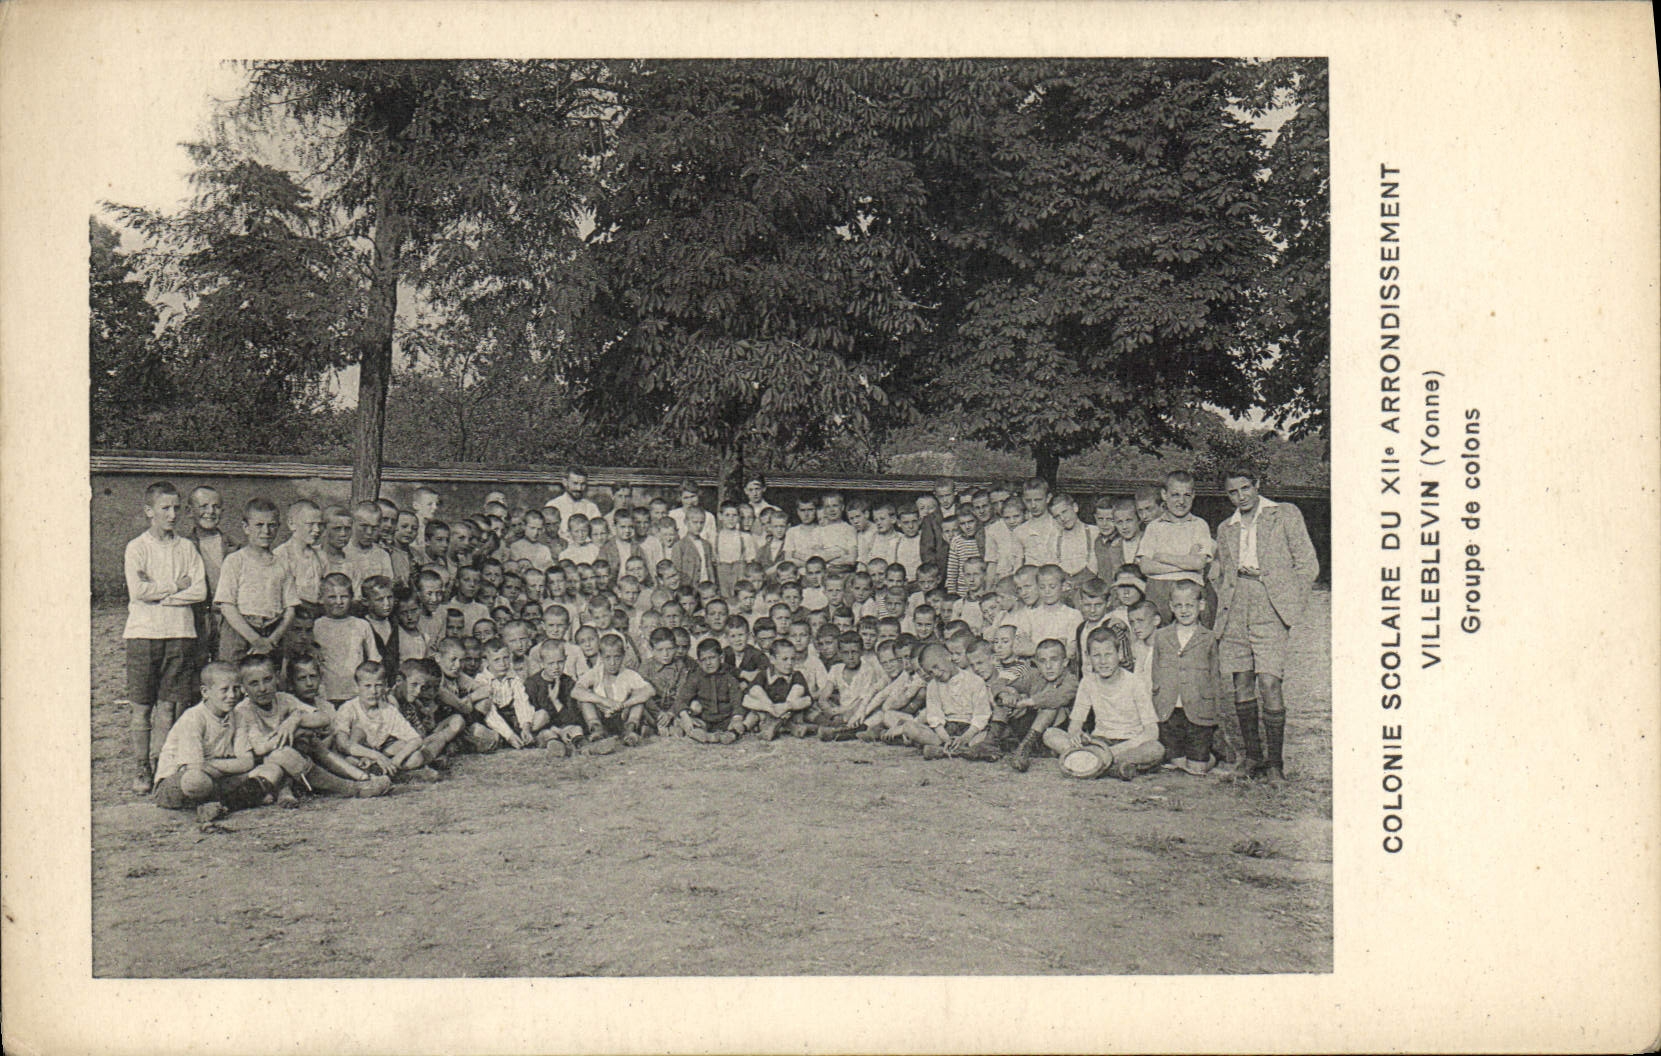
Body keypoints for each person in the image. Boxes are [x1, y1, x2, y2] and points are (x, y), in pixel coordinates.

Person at [1211, 468, 1320, 783]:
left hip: (1269, 604)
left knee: (1270, 682)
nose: (1240, 497)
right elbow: (1222, 571)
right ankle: (1253, 758)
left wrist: (1289, 603)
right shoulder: (1226, 528)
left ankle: (1275, 764)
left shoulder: (1284, 514)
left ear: (1257, 485)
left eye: (1246, 488)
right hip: (1236, 606)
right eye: (1233, 492)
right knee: (1242, 681)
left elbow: (1307, 564)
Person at [123, 481, 207, 794]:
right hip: (143, 634)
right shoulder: (137, 547)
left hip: (181, 633)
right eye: (165, 508)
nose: (172, 515)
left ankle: (163, 764)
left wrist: (163, 596)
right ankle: (141, 767)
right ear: (149, 511)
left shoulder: (187, 548)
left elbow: (199, 591)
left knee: (169, 706)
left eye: (176, 508)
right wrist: (176, 586)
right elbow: (138, 591)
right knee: (142, 707)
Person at [233, 654, 387, 804]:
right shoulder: (243, 711)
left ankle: (361, 777)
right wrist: (295, 732)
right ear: (243, 687)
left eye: (267, 680)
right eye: (254, 683)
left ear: (277, 678)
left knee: (309, 741)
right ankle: (350, 788)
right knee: (283, 753)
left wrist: (296, 719)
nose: (262, 688)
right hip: (263, 766)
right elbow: (260, 749)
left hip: (294, 761)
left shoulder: (284, 699)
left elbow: (323, 718)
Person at [1043, 623, 1164, 780]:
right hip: (1099, 741)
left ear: (1119, 654)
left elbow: (1152, 732)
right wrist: (1076, 734)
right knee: (1050, 734)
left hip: (1129, 743)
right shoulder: (1088, 682)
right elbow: (1075, 724)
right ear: (1088, 658)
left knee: (1155, 749)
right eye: (1096, 655)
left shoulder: (1135, 683)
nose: (1103, 661)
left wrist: (1115, 750)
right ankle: (1111, 767)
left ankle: (1091, 762)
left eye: (1108, 654)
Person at [150, 662, 261, 824]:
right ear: (205, 692)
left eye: (236, 689)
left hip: (216, 775)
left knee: (264, 771)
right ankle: (218, 802)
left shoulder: (237, 716)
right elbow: (194, 767)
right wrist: (225, 767)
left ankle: (215, 804)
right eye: (224, 690)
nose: (232, 695)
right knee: (196, 780)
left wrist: (212, 764)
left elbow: (247, 762)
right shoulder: (193, 718)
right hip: (176, 782)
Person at [1149, 580, 1226, 776]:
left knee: (1197, 768)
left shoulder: (1208, 637)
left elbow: (1215, 676)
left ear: (1201, 605)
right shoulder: (1161, 636)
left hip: (1199, 710)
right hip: (1169, 710)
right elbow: (1155, 671)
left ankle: (1212, 756)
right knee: (1173, 759)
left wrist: (1215, 711)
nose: (1184, 610)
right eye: (1178, 605)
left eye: (1189, 605)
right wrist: (1156, 699)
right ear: (1171, 606)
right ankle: (1180, 758)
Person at [214, 498, 299, 664]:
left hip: (272, 631)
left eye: (271, 525)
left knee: (268, 675)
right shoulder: (235, 560)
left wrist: (272, 640)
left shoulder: (283, 563)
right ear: (246, 527)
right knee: (233, 674)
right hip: (240, 630)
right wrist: (255, 640)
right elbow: (227, 606)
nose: (266, 531)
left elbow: (290, 608)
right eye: (259, 525)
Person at [332, 661, 442, 779]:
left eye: (378, 685)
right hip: (357, 753)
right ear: (357, 686)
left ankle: (385, 771)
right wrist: (376, 756)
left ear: (385, 685)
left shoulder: (388, 710)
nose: (373, 691)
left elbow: (415, 739)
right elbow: (342, 744)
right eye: (367, 686)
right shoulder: (348, 708)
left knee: (416, 756)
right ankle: (389, 773)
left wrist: (396, 760)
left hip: (381, 752)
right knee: (354, 745)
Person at [892, 643, 998, 761]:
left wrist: (965, 738)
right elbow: (935, 716)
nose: (936, 673)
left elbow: (981, 715)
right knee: (909, 728)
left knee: (981, 739)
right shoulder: (933, 685)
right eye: (930, 672)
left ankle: (944, 751)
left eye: (936, 666)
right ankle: (956, 749)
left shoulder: (975, 681)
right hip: (946, 729)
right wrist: (946, 739)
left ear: (948, 656)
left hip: (970, 729)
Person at [1136, 470, 1215, 623]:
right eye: (1175, 495)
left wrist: (1163, 557)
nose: (1181, 501)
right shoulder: (1154, 526)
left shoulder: (1199, 525)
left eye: (1187, 495)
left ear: (1193, 495)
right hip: (1158, 590)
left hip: (1189, 589)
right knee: (1158, 632)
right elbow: (1145, 567)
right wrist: (1186, 564)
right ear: (1164, 495)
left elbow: (1198, 563)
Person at [994, 638, 1080, 772]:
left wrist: (1026, 702)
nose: (1048, 666)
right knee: (1006, 700)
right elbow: (999, 684)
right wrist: (1006, 694)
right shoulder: (1035, 675)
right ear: (1037, 664)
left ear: (1065, 662)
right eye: (1043, 661)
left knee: (1050, 706)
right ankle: (990, 741)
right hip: (1033, 727)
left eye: (1054, 660)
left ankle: (1025, 747)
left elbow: (1058, 697)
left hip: (1056, 730)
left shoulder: (1071, 679)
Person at [571, 632, 656, 749]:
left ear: (623, 655)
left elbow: (650, 690)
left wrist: (624, 705)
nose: (612, 663)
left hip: (623, 719)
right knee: (585, 700)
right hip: (601, 719)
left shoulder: (629, 674)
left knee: (639, 699)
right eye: (608, 657)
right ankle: (597, 731)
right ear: (601, 656)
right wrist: (604, 701)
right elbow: (575, 691)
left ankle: (630, 731)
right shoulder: (595, 673)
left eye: (617, 657)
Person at [312, 573, 378, 705]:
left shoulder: (361, 625)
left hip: (356, 695)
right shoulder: (315, 626)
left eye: (344, 597)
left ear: (352, 597)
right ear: (321, 598)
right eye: (332, 597)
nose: (339, 602)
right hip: (326, 695)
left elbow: (374, 660)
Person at [185, 485, 231, 664]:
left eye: (216, 506)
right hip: (196, 620)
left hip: (227, 620)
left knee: (226, 667)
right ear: (190, 511)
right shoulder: (182, 547)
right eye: (203, 506)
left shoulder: (234, 547)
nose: (210, 511)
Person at [739, 639, 813, 740]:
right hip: (768, 710)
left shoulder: (796, 675)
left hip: (788, 712)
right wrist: (769, 707)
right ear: (772, 659)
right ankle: (740, 730)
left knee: (798, 695)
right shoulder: (764, 675)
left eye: (793, 659)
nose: (790, 663)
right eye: (785, 659)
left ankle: (778, 726)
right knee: (756, 693)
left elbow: (808, 700)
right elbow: (747, 698)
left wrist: (787, 706)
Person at [676, 638, 745, 743]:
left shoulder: (728, 677)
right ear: (698, 662)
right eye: (703, 660)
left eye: (712, 658)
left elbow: (736, 699)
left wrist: (737, 718)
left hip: (726, 718)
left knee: (742, 720)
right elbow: (682, 699)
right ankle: (708, 737)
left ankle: (731, 734)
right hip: (705, 719)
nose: (708, 663)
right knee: (689, 723)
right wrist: (685, 716)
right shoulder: (696, 677)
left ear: (721, 658)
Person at [275, 499, 325, 606]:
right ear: (292, 524)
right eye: (310, 524)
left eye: (319, 524)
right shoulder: (281, 555)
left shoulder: (320, 555)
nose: (317, 529)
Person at [344, 500, 396, 598]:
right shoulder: (341, 551)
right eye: (364, 526)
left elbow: (387, 588)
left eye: (375, 528)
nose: (369, 532)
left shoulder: (383, 555)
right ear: (352, 523)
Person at [983, 497, 1026, 584]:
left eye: (1016, 516)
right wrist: (989, 586)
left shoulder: (1029, 529)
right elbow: (992, 562)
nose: (1012, 521)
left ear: (1025, 514)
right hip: (1003, 578)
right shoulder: (993, 530)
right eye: (1007, 518)